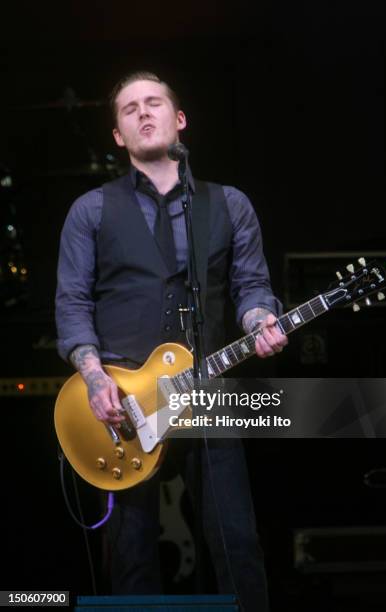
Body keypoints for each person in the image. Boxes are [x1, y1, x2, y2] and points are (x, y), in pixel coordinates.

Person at [55, 71, 288, 612]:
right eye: (129, 109)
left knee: (237, 544)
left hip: (206, 390)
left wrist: (260, 320)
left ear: (178, 119)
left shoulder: (228, 203)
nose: (142, 112)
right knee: (131, 555)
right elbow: (72, 303)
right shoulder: (90, 210)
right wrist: (94, 378)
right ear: (118, 136)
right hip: (124, 401)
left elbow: (251, 287)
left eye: (153, 102)